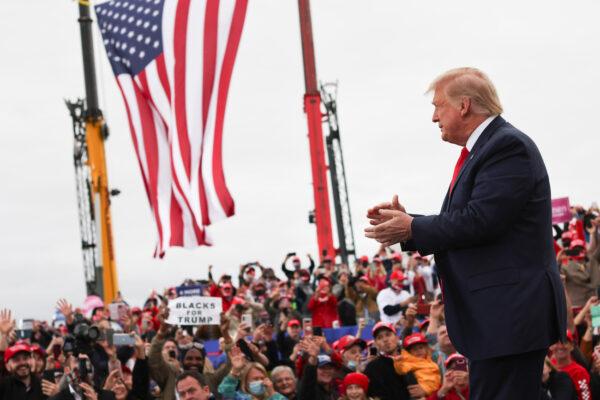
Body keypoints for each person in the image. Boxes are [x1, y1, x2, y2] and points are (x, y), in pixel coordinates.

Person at [365, 67, 566, 399]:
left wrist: (412, 226)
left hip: (508, 314)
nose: (433, 117)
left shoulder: (505, 146)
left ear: (464, 105)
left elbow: (481, 221)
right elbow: (470, 221)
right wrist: (407, 224)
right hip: (501, 316)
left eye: (438, 106)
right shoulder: (487, 149)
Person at [363, 322, 410, 400]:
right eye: (379, 337)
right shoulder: (372, 368)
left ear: (397, 337)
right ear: (376, 344)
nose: (385, 340)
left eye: (388, 335)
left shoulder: (411, 358)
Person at [218, 347, 285, 400]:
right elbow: (225, 393)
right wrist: (235, 371)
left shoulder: (272, 397)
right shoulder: (239, 397)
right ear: (246, 382)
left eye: (262, 378)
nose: (261, 381)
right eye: (255, 379)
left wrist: (272, 393)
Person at [394, 333, 441, 397]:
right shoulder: (410, 363)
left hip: (437, 391)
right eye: (415, 349)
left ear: (426, 348)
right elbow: (401, 369)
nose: (418, 351)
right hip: (424, 393)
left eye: (420, 348)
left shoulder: (431, 361)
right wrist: (398, 362)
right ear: (409, 352)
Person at [550, 331, 591, 400]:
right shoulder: (548, 366)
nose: (560, 346)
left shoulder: (579, 372)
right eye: (557, 342)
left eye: (565, 342)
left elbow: (586, 398)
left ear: (572, 346)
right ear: (551, 346)